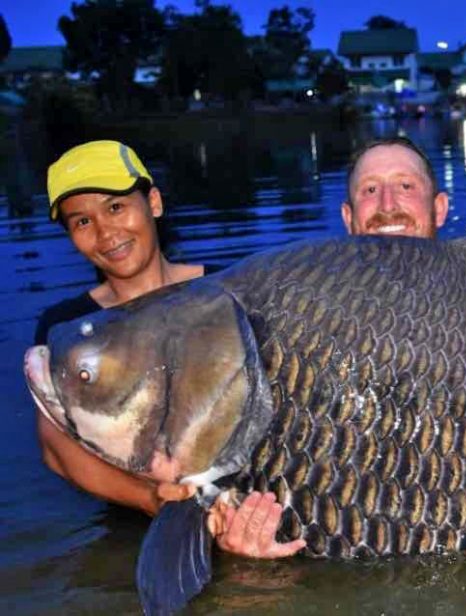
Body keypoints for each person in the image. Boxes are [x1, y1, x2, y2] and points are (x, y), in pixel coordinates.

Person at [34, 140, 303, 559]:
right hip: (135, 527)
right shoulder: (70, 331)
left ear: (153, 202)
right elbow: (56, 449)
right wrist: (151, 499)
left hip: (255, 511)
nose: (106, 233)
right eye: (82, 221)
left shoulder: (227, 291)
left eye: (116, 208)